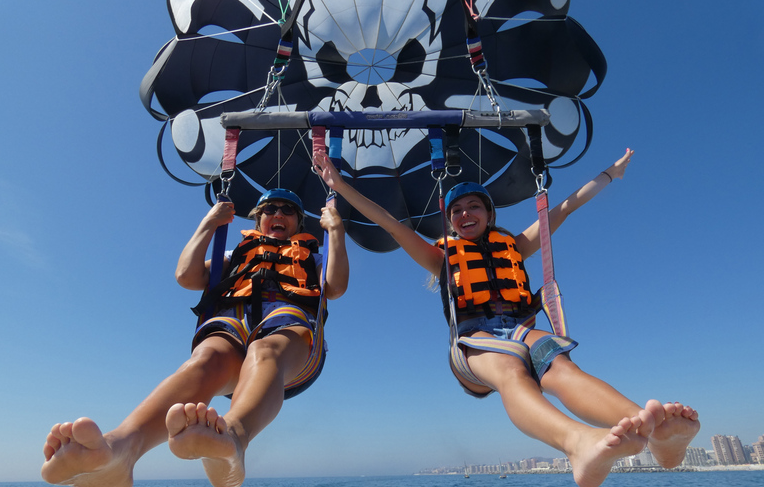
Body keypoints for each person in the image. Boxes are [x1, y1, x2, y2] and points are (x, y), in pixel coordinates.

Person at [313, 148, 699, 487]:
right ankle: (577, 443)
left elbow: (563, 208)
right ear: (451, 222)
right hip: (473, 344)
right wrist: (338, 184)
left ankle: (658, 434)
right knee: (513, 371)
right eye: (457, 211)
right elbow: (387, 221)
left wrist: (610, 175)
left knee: (561, 367)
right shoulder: (442, 256)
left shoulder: (512, 246)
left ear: (489, 214)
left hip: (519, 329)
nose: (466, 213)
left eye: (474, 206)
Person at [41, 189, 349, 487]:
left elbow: (334, 287)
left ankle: (233, 438)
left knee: (264, 350)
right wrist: (210, 222)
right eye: (269, 209)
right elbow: (186, 276)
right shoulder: (236, 255)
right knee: (206, 359)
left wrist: (336, 230)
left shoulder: (314, 259)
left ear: (299, 222)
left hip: (289, 335)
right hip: (233, 326)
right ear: (258, 220)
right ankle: (119, 453)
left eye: (287, 210)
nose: (277, 213)